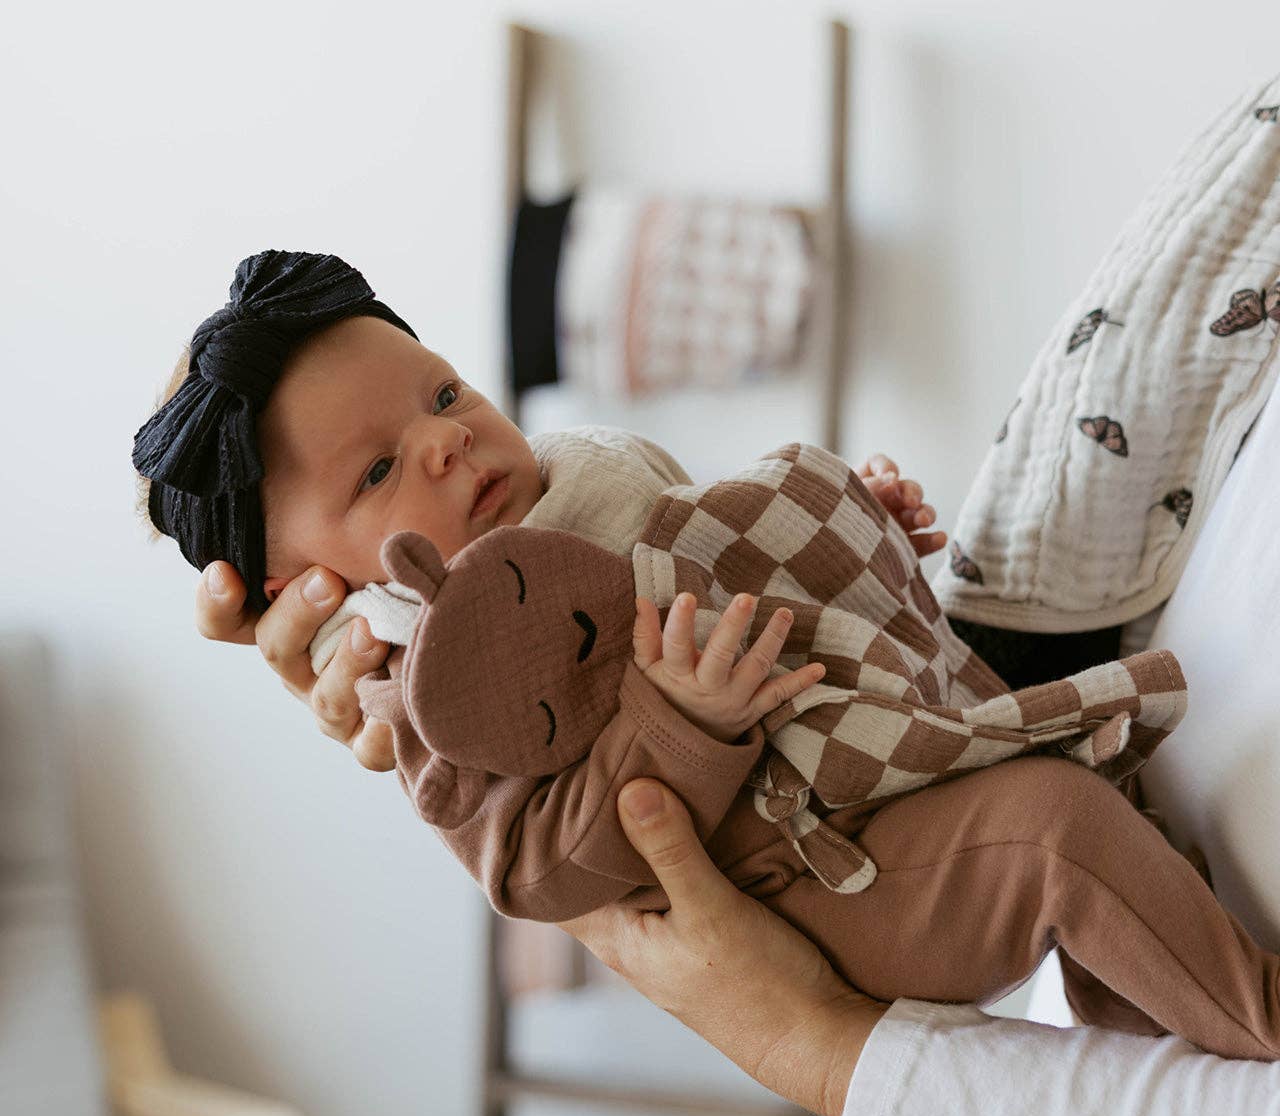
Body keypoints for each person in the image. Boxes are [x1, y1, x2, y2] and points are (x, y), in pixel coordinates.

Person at [144, 251, 1280, 1065]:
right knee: (1057, 834)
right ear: (315, 592)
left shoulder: (575, 474)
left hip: (884, 765)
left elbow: (729, 556)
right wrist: (684, 726)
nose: (444, 437)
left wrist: (852, 521)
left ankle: (1158, 1087)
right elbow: (534, 869)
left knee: (1116, 799)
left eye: (443, 392)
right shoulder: (432, 682)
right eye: (378, 471)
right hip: (822, 884)